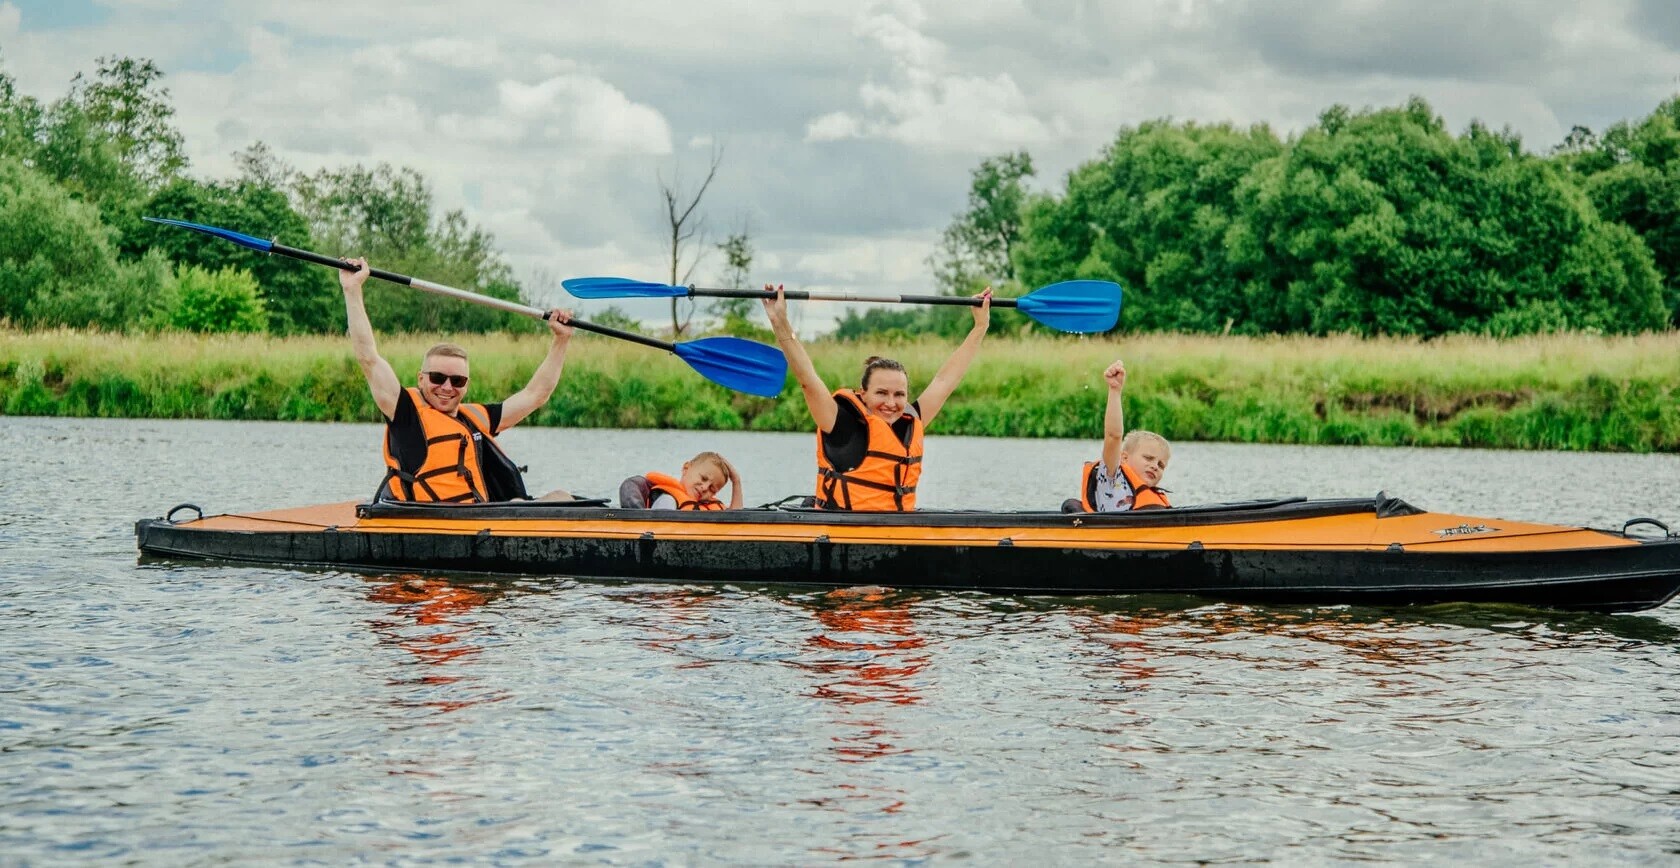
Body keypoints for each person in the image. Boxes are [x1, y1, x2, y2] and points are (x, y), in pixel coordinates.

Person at [338, 257, 575, 503]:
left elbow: (536, 394)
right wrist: (352, 289)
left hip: (482, 520)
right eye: (438, 378)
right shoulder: (406, 414)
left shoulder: (476, 418)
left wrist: (561, 340)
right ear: (421, 379)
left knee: (562, 497)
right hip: (436, 524)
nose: (447, 387)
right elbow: (369, 358)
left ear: (466, 384)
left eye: (457, 380)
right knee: (523, 504)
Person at [762, 283, 990, 511]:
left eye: (899, 394)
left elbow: (945, 382)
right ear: (863, 394)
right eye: (881, 393)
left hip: (895, 531)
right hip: (840, 533)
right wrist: (779, 322)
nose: (891, 403)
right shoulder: (842, 426)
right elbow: (808, 381)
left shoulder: (910, 421)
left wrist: (980, 326)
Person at [1071, 359, 1171, 512]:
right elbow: (1113, 436)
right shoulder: (1112, 477)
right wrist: (1115, 390)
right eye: (1148, 458)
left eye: (1161, 465)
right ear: (1124, 458)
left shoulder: (1150, 494)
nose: (1154, 466)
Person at [619, 451, 743, 511]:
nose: (705, 488)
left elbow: (738, 521)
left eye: (712, 489)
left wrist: (736, 481)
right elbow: (658, 528)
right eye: (703, 478)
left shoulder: (707, 505)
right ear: (686, 468)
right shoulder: (668, 499)